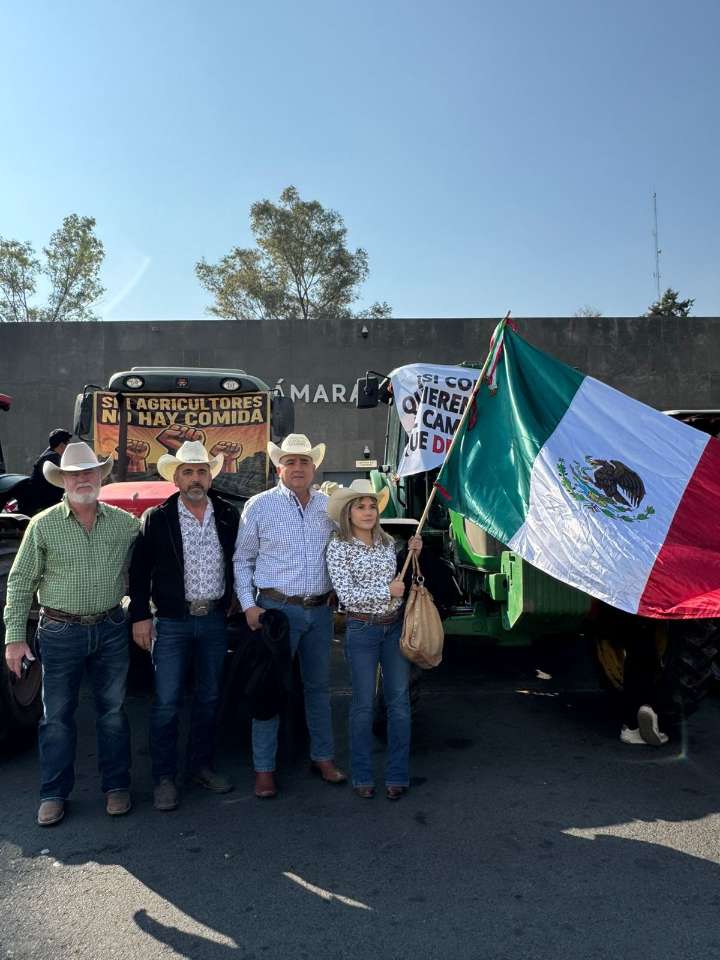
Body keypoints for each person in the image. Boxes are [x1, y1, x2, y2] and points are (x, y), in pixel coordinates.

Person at [3, 442, 140, 826]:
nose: (83, 478)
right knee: (57, 717)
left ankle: (116, 786)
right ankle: (53, 793)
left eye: (89, 471)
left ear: (101, 476)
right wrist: (15, 638)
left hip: (112, 627)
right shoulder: (41, 525)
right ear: (62, 480)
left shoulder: (124, 524)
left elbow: (148, 565)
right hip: (60, 631)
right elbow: (20, 583)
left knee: (112, 713)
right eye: (75, 473)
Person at [128, 441, 240, 811]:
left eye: (202, 471)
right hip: (173, 621)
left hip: (213, 620)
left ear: (211, 476)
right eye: (188, 472)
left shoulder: (226, 514)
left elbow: (240, 560)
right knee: (167, 702)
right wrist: (141, 616)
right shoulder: (157, 518)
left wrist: (237, 600)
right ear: (176, 478)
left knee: (210, 697)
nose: (196, 478)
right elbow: (139, 572)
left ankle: (201, 766)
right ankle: (164, 777)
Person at [233, 433, 346, 799]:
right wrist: (249, 605)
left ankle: (322, 757)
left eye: (304, 462)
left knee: (318, 689)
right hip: (276, 612)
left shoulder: (329, 507)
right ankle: (264, 769)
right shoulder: (260, 505)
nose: (298, 468)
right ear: (279, 467)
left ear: (314, 467)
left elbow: (346, 550)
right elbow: (242, 559)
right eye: (291, 462)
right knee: (269, 689)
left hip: (319, 611)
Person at [325, 480, 422, 800]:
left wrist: (414, 554)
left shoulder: (387, 543)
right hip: (362, 630)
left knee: (399, 705)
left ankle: (397, 774)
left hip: (394, 628)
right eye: (360, 506)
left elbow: (402, 583)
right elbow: (347, 597)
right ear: (347, 512)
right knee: (363, 705)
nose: (368, 512)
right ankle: (363, 775)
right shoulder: (338, 546)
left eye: (372, 506)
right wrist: (387, 592)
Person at [28, 428, 73, 511]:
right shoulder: (53, 458)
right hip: (45, 506)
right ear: (62, 445)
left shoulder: (47, 455)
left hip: (42, 504)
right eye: (68, 444)